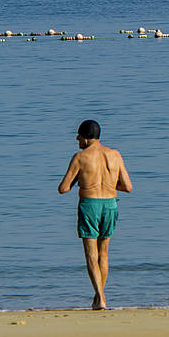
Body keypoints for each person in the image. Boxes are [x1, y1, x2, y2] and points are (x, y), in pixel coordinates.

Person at [57, 119, 133, 310]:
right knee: (104, 253)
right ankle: (99, 296)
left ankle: (100, 297)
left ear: (85, 138)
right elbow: (128, 187)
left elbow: (63, 188)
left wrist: (82, 182)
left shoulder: (80, 157)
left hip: (90, 205)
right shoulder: (115, 155)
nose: (76, 139)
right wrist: (106, 184)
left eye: (78, 136)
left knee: (91, 254)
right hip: (110, 204)